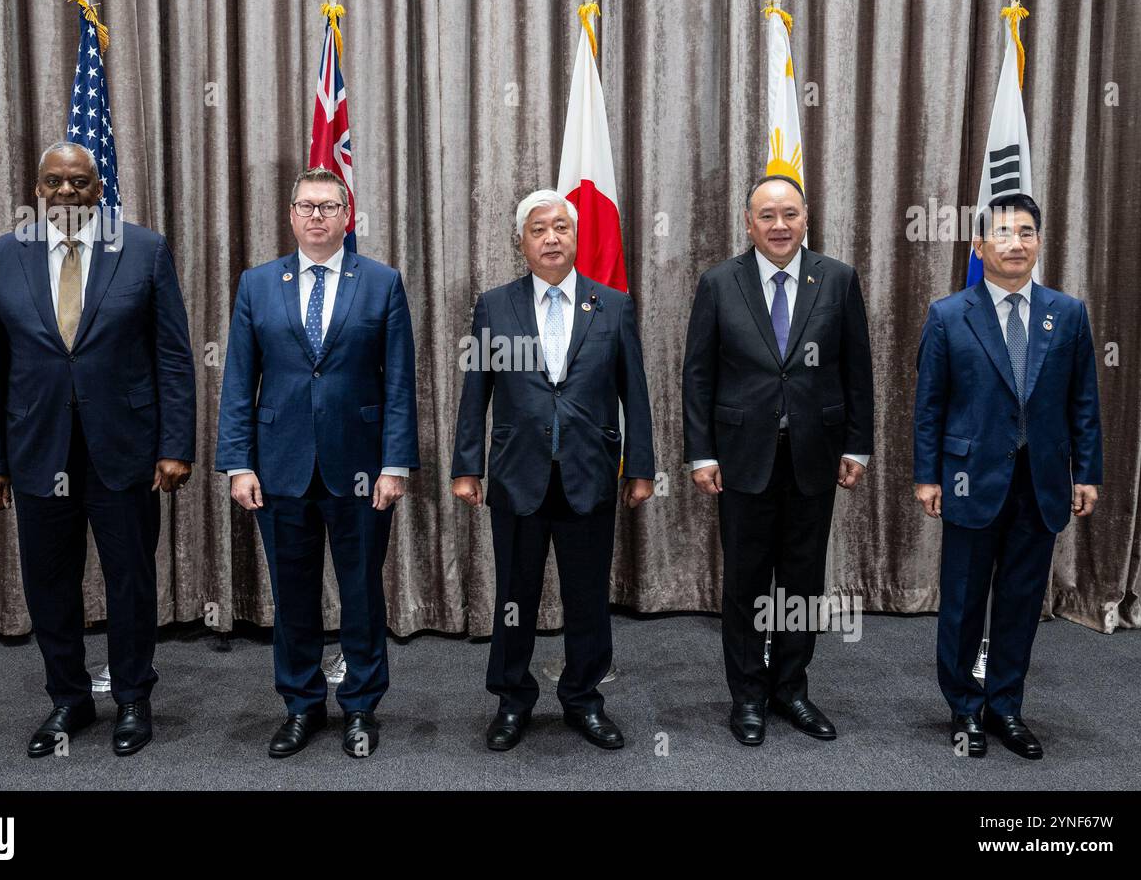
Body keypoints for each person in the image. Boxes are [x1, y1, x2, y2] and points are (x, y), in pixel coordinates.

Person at [0, 141, 195, 757]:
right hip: (37, 450)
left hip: (124, 448)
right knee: (49, 583)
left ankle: (131, 697)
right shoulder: (1, 256)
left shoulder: (143, 248)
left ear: (100, 188)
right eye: (54, 183)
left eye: (79, 182)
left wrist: (176, 445)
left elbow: (174, 357)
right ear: (38, 190)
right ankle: (69, 698)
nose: (66, 192)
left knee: (130, 579)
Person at [216, 166, 419, 759]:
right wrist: (237, 463)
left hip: (360, 470)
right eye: (306, 206)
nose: (316, 216)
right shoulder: (257, 283)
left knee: (361, 593)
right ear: (290, 214)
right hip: (277, 469)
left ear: (345, 216)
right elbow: (238, 382)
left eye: (328, 207)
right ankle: (301, 705)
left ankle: (360, 706)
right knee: (292, 596)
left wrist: (395, 464)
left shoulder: (381, 283)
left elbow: (400, 382)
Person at [451, 189, 654, 752]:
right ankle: (513, 700)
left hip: (590, 474)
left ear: (576, 236)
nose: (551, 238)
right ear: (522, 242)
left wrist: (640, 466)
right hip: (518, 475)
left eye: (561, 227)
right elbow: (477, 392)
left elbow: (634, 391)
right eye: (538, 229)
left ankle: (584, 699)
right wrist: (466, 466)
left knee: (588, 596)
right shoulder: (496, 305)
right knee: (514, 595)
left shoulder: (611, 306)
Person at [681, 175, 873, 746]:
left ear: (806, 216)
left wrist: (856, 444)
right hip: (741, 459)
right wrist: (701, 452)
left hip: (816, 456)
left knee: (802, 582)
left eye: (790, 213)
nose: (780, 225)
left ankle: (791, 689)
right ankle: (747, 696)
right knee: (745, 583)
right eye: (767, 215)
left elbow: (857, 369)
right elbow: (698, 376)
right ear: (749, 223)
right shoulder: (719, 283)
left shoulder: (837, 279)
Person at [913, 193, 1102, 760]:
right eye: (1001, 233)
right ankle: (964, 708)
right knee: (966, 599)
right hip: (971, 478)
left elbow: (1084, 401)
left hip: (1042, 481)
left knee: (1021, 600)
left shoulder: (1067, 313)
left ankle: (1006, 706)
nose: (1015, 242)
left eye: (1026, 232)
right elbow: (929, 405)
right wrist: (928, 476)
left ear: (1039, 242)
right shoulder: (949, 315)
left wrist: (1086, 472)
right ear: (978, 245)